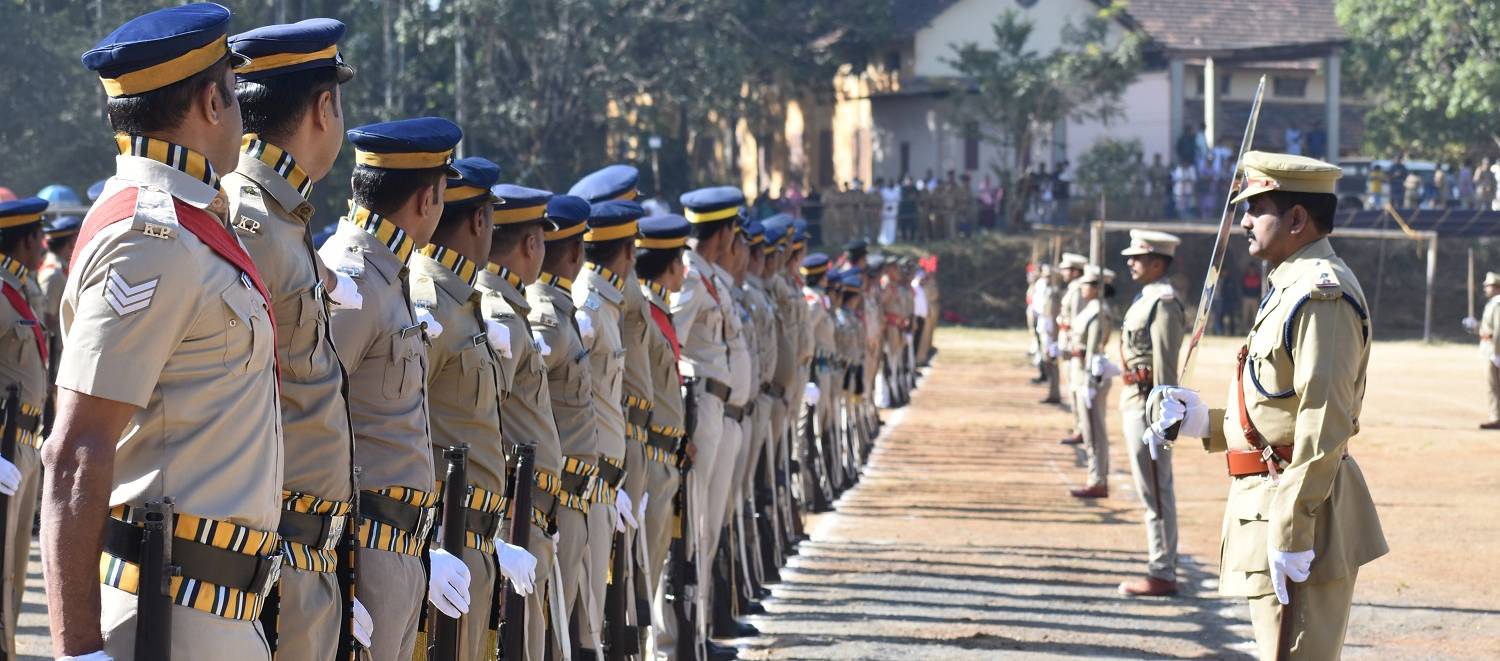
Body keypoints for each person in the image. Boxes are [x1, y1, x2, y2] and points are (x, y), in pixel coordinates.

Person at [44, 5, 283, 658]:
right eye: (235, 98)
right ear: (211, 101)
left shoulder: (188, 226)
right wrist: (78, 648)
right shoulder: (150, 238)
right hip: (169, 614)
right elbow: (73, 448)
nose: (241, 119)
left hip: (217, 609)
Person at [1146, 152, 1387, 659]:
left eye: (1256, 207)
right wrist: (1202, 423)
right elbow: (1278, 408)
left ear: (1297, 219)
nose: (1244, 220)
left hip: (1302, 511)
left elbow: (1324, 421)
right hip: (1272, 502)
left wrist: (1295, 526)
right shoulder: (1290, 286)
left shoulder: (1321, 293)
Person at [222, 17, 371, 659]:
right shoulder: (251, 221)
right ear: (324, 106)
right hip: (275, 557)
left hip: (312, 552)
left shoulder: (284, 218)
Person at [317, 117, 466, 661]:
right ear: (427, 198)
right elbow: (308, 418)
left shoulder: (389, 276)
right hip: (364, 549)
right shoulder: (353, 277)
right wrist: (330, 566)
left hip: (401, 546)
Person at [413, 156, 539, 658]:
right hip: (447, 539)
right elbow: (398, 423)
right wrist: (426, 546)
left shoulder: (462, 303)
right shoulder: (429, 301)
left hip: (480, 540)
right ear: (480, 221)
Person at [482, 183, 565, 660]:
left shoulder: (510, 310)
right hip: (515, 516)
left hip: (531, 514)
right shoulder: (500, 314)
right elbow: (482, 424)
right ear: (531, 245)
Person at [670, 187, 743, 661]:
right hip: (702, 408)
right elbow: (668, 343)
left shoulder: (711, 278)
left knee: (709, 527)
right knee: (695, 529)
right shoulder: (693, 278)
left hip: (720, 409)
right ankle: (683, 641)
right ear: (724, 233)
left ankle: (697, 635)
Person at [526, 194, 597, 656]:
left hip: (573, 491)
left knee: (562, 624)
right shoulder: (548, 317)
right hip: (558, 494)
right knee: (552, 631)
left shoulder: (561, 309)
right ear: (574, 253)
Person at [573, 199, 643, 655]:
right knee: (587, 619)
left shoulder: (606, 302)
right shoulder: (588, 304)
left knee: (601, 608)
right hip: (591, 478)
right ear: (626, 252)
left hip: (607, 480)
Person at [1115, 230, 1186, 596]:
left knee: (1156, 490)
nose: (1130, 262)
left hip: (1148, 407)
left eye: (1138, 257)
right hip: (1134, 399)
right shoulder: (1146, 298)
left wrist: (1164, 420)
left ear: (1157, 263)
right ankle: (1161, 565)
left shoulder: (1163, 303)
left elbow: (1166, 367)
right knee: (1150, 489)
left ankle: (1162, 571)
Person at [634, 214, 690, 659]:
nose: (685, 272)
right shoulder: (647, 316)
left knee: (656, 565)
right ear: (668, 267)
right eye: (680, 263)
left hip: (667, 454)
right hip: (651, 455)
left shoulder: (658, 312)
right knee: (645, 570)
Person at [0, 198, 49, 656]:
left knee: (15, 567)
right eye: (40, 236)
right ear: (25, 241)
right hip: (4, 444)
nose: (45, 244)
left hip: (27, 444)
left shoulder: (22, 288)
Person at [1067, 266, 1114, 499]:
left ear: (1097, 288)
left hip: (1090, 376)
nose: (1082, 288)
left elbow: (1094, 348)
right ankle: (1095, 476)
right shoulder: (1091, 309)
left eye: (1087, 284)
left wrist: (1088, 379)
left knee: (1095, 432)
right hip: (1080, 371)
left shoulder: (1098, 312)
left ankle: (1098, 480)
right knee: (1089, 430)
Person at [1467, 272, 1500, 430]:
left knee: (1493, 386)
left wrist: (1497, 352)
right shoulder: (1492, 303)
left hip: (1493, 350)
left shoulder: (1498, 304)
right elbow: (1487, 328)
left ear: (1496, 287)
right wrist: (1475, 327)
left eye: (1488, 286)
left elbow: (1498, 331)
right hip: (1488, 346)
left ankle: (1496, 417)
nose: (1485, 288)